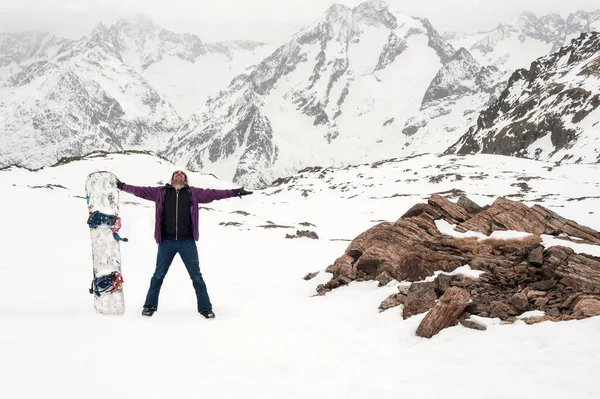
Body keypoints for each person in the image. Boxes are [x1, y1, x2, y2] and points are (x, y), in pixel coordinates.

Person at [116, 170, 252, 318]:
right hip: (166, 242)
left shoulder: (193, 193)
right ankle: (149, 306)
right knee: (158, 275)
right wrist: (122, 186)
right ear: (172, 178)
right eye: (176, 173)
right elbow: (139, 191)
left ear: (186, 180)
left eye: (182, 174)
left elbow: (214, 194)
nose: (179, 175)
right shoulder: (160, 193)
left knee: (196, 277)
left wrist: (235, 192)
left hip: (187, 242)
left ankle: (205, 308)